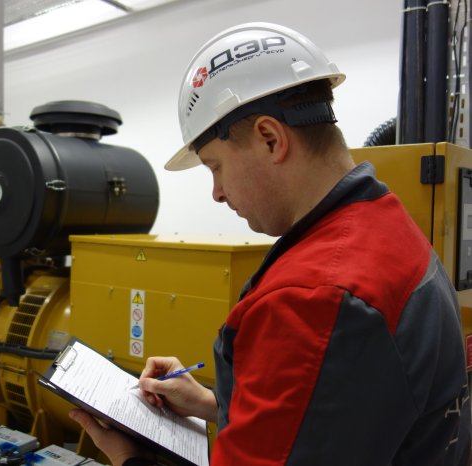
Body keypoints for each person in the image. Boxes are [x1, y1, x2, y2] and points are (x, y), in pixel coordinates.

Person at [70, 22, 472, 465]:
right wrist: (212, 403)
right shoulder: (387, 225)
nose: (216, 193)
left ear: (270, 139)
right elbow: (342, 418)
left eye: (215, 167)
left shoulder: (314, 298)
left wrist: (129, 457)